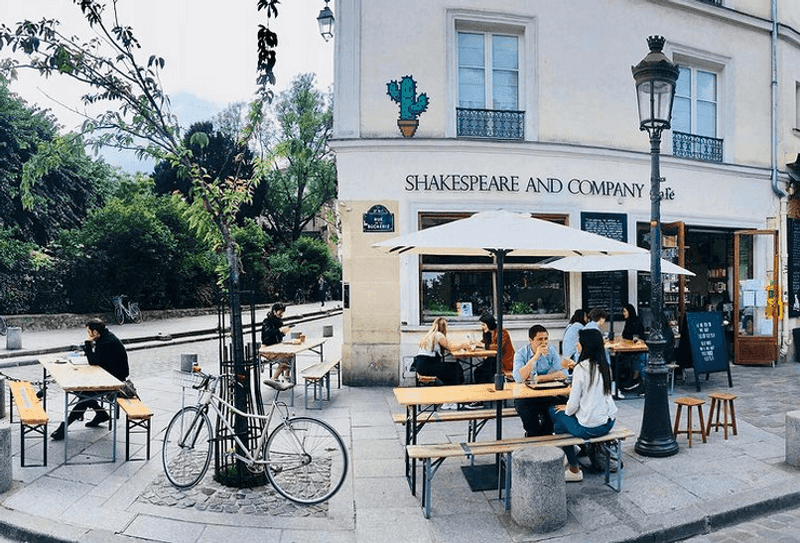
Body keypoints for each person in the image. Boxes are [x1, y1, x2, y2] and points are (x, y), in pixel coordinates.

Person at [548, 328, 617, 482]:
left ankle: (574, 467)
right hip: (609, 422)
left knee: (553, 412)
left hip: (590, 428)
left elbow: (572, 406)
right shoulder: (604, 366)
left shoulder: (581, 369)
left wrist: (566, 408)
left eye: (579, 342)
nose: (577, 345)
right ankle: (573, 452)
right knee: (560, 425)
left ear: (586, 346)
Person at [51, 318, 129, 440]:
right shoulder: (105, 337)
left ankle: (64, 427)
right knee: (80, 391)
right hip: (107, 375)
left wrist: (88, 344)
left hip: (115, 381)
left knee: (84, 394)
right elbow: (99, 361)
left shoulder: (106, 343)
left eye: (89, 331)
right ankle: (101, 413)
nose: (88, 334)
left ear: (96, 332)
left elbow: (93, 362)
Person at [512, 325, 569, 437]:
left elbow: (563, 374)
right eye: (540, 339)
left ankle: (544, 436)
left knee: (558, 405)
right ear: (530, 340)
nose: (544, 342)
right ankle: (534, 436)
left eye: (546, 339)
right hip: (527, 396)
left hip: (547, 393)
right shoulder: (521, 353)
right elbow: (519, 378)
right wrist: (535, 357)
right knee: (524, 408)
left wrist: (539, 378)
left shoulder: (551, 351)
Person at [413, 317, 468, 407]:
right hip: (427, 366)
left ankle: (452, 399)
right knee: (456, 368)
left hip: (422, 365)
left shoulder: (431, 334)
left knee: (452, 369)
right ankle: (457, 397)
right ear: (443, 327)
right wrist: (462, 345)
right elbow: (450, 347)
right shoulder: (438, 335)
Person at [473, 313, 515, 384]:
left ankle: (485, 388)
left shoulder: (502, 332)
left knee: (481, 372)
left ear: (489, 324)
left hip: (503, 361)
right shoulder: (487, 333)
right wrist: (476, 344)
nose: (482, 327)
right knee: (478, 371)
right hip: (493, 359)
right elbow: (485, 342)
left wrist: (483, 346)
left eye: (483, 325)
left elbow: (498, 347)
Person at [261, 303, 292, 380]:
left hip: (276, 347)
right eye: (280, 312)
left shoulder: (278, 321)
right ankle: (274, 378)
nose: (282, 314)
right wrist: (279, 330)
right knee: (285, 360)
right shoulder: (267, 321)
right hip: (267, 349)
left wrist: (283, 332)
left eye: (283, 312)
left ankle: (287, 376)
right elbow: (267, 333)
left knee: (291, 355)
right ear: (274, 311)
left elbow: (278, 336)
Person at [620, 303, 646, 392]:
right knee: (620, 358)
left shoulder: (635, 322)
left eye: (624, 311)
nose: (623, 313)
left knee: (623, 359)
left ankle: (633, 381)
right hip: (630, 349)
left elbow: (636, 336)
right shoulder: (629, 321)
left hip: (636, 350)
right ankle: (630, 380)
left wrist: (637, 339)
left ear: (629, 312)